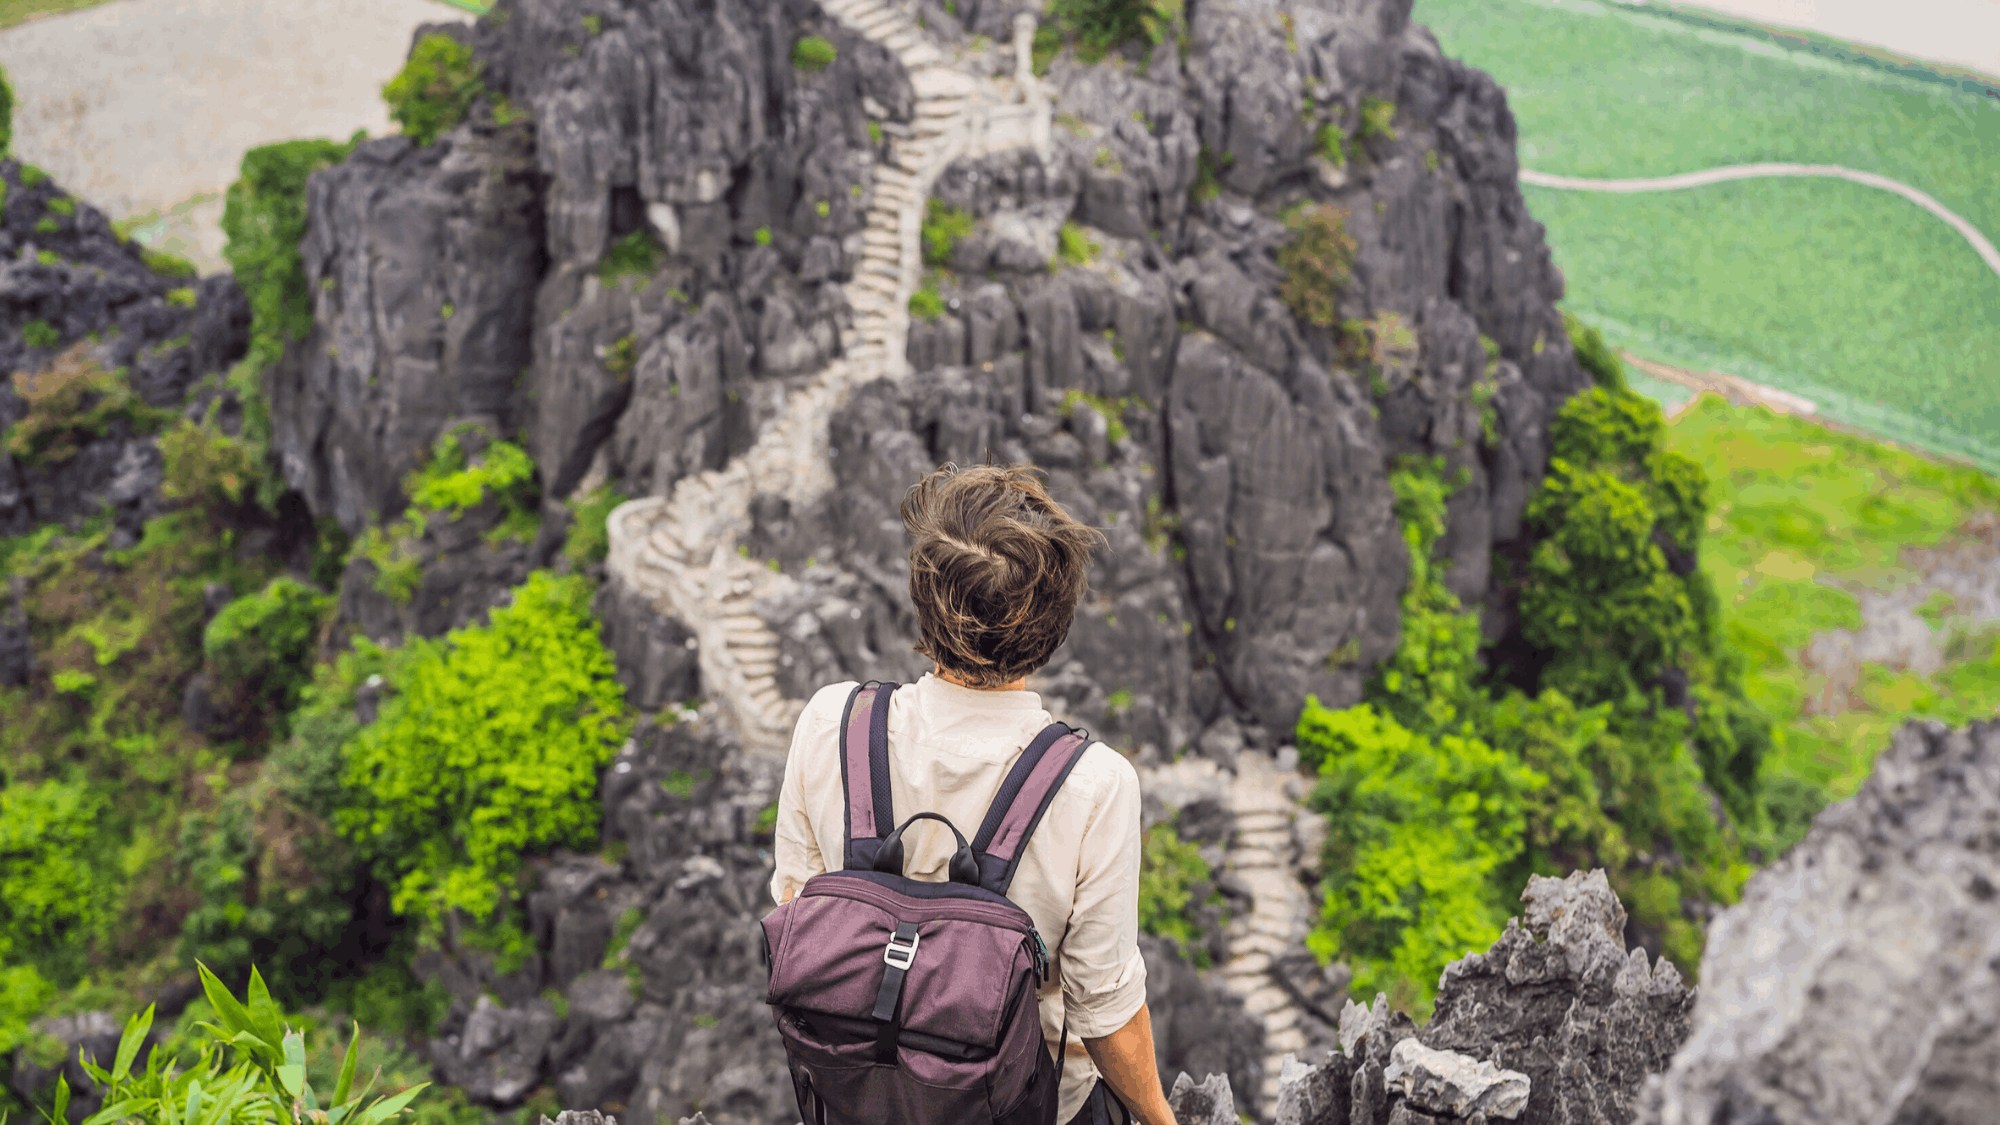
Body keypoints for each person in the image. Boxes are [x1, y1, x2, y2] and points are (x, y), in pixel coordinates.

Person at [770, 463, 1180, 1125]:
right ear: (1055, 626)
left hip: (859, 1097)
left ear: (922, 598)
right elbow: (1103, 1006)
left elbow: (798, 906)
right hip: (1021, 1107)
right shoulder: (1093, 784)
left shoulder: (832, 723)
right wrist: (1161, 1117)